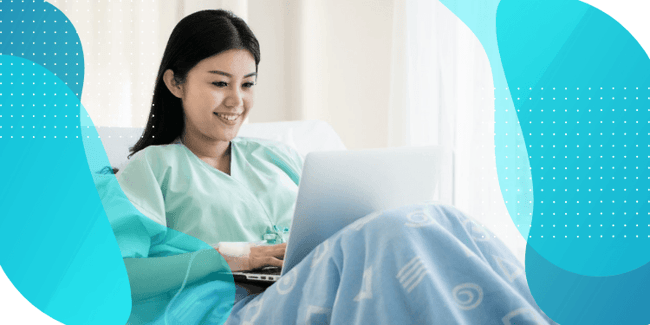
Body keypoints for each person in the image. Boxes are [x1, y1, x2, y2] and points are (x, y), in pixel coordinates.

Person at [104, 9, 556, 325]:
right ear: (176, 83)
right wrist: (227, 258)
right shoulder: (151, 169)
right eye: (219, 83)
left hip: (321, 285)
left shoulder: (275, 157)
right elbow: (114, 277)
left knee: (438, 217)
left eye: (247, 84)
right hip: (236, 311)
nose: (236, 101)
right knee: (395, 232)